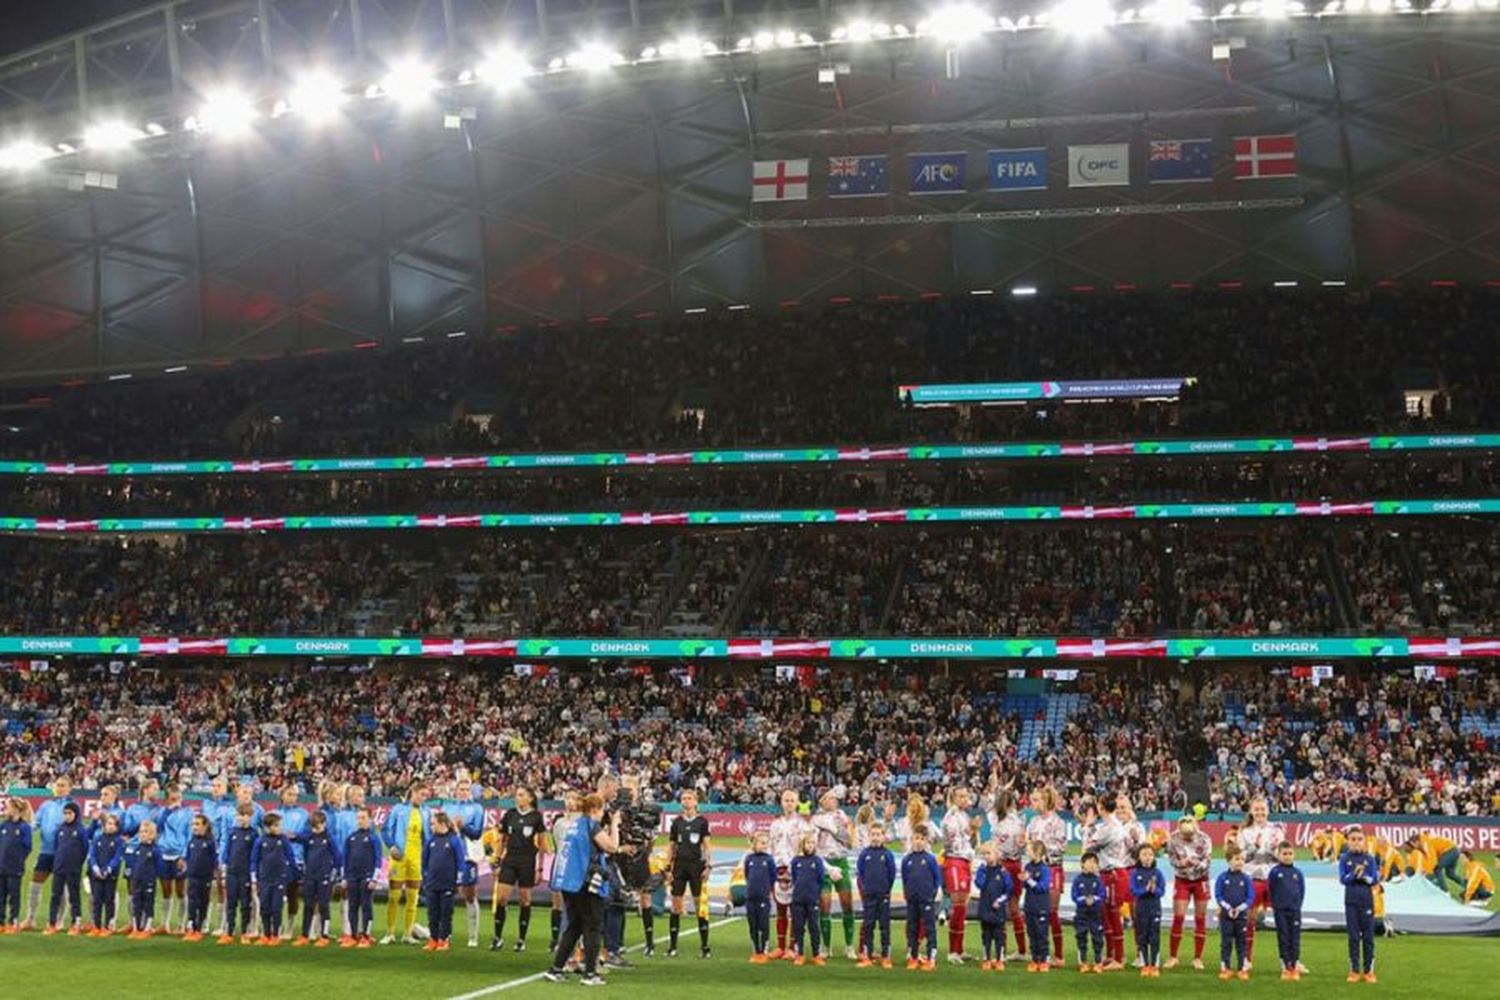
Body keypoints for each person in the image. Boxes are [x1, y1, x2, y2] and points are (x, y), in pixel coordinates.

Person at [544, 792, 621, 987]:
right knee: (593, 926)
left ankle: (556, 968)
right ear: (595, 810)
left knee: (575, 925)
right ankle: (590, 973)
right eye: (602, 810)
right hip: (585, 883)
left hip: (569, 882)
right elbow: (611, 846)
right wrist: (614, 825)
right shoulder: (590, 824)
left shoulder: (574, 825)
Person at [490, 785, 546, 952]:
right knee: (501, 899)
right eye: (517, 795)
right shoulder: (510, 815)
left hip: (527, 862)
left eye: (521, 795)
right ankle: (497, 937)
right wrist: (497, 861)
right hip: (510, 860)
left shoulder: (536, 817)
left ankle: (521, 939)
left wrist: (540, 868)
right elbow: (502, 839)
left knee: (524, 900)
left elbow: (542, 844)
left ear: (530, 798)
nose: (517, 798)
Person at [1079, 793, 1127, 971]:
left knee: (1113, 915)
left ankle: (1118, 958)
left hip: (1113, 873)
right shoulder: (1113, 825)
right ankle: (1111, 954)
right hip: (1110, 873)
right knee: (1106, 914)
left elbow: (1086, 849)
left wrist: (1088, 825)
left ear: (1100, 807)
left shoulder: (1108, 828)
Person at [1235, 797, 1283, 968]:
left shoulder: (1276, 830)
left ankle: (1290, 960)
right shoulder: (1244, 832)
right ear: (1251, 811)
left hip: (1273, 879)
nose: (1260, 812)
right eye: (1256, 809)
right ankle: (1246, 959)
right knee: (1250, 920)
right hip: (1252, 878)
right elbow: (1240, 857)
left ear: (1268, 810)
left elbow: (1283, 856)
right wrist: (1253, 848)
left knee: (1283, 919)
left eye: (1263, 809)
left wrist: (1273, 850)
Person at [380, 782, 429, 945]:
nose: (423, 798)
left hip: (416, 858)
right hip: (399, 858)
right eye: (421, 794)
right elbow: (385, 829)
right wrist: (391, 846)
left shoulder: (426, 812)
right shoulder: (398, 809)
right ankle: (390, 933)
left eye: (425, 796)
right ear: (413, 792)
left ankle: (407, 934)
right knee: (394, 896)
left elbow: (428, 837)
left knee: (412, 897)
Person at [441, 774, 487, 949]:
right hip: (447, 854)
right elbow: (440, 828)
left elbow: (476, 833)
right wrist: (451, 827)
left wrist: (462, 827)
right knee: (446, 893)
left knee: (469, 894)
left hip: (468, 855)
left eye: (467, 789)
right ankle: (446, 931)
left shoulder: (477, 808)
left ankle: (473, 935)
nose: (463, 792)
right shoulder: (447, 806)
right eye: (461, 789)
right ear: (455, 790)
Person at [667, 788, 713, 959]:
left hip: (696, 866)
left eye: (689, 798)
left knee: (699, 905)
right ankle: (672, 946)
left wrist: (708, 865)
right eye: (683, 798)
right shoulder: (676, 822)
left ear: (696, 802)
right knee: (676, 905)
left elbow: (707, 845)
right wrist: (668, 866)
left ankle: (705, 946)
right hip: (679, 866)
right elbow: (671, 845)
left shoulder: (702, 822)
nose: (686, 801)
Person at [24, 775, 74, 931]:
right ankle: (30, 918)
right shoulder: (46, 805)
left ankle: (59, 921)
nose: (59, 788)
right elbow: (35, 823)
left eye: (63, 785)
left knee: (61, 887)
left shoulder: (72, 806)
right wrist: (23, 831)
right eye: (57, 785)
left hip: (63, 853)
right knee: (35, 883)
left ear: (69, 788)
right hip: (46, 851)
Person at [937, 787, 980, 965]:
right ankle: (953, 951)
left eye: (966, 796)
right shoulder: (951, 818)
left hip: (964, 862)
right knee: (958, 906)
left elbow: (968, 841)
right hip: (954, 861)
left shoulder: (964, 816)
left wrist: (974, 831)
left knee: (962, 907)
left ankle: (959, 949)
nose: (965, 799)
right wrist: (971, 832)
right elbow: (954, 844)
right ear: (953, 798)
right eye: (961, 796)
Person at [986, 788, 1030, 962]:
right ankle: (1018, 949)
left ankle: (1003, 950)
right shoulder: (1016, 821)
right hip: (1012, 864)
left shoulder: (999, 820)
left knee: (1003, 908)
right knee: (1012, 909)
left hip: (1004, 865)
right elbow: (1021, 845)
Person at [1026, 785, 1068, 968]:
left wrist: (1040, 849)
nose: (1032, 803)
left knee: (1051, 912)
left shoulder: (1058, 822)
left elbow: (1061, 847)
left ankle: (1058, 954)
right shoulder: (1033, 822)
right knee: (1035, 912)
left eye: (1035, 800)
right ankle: (1039, 953)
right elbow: (1028, 844)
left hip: (1052, 868)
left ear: (1046, 800)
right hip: (1035, 869)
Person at [768, 788, 813, 957]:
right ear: (781, 802)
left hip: (796, 868)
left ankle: (793, 947)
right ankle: (780, 946)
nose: (789, 804)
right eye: (786, 800)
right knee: (780, 909)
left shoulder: (803, 824)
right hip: (778, 868)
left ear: (797, 803)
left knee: (796, 909)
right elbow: (771, 848)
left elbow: (808, 847)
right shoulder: (775, 824)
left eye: (792, 801)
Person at [812, 789, 856, 959]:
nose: (834, 800)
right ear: (822, 800)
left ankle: (849, 945)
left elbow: (849, 841)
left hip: (841, 861)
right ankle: (826, 946)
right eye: (830, 797)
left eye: (834, 797)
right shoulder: (815, 819)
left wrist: (836, 830)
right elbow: (812, 844)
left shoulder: (842, 815)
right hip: (824, 863)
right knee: (824, 905)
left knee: (848, 904)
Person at [215, 783, 263, 937]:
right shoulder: (229, 813)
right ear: (237, 793)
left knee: (250, 898)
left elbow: (264, 833)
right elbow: (224, 838)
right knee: (229, 896)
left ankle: (252, 927)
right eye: (244, 792)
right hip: (233, 863)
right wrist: (223, 861)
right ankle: (225, 927)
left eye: (249, 792)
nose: (247, 795)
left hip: (249, 865)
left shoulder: (259, 811)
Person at [1165, 813, 1212, 970]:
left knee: (1200, 918)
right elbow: (1171, 859)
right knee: (1178, 917)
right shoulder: (1173, 838)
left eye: (1190, 835)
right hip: (1182, 880)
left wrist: (1196, 863)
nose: (1187, 837)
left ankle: (1198, 958)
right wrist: (1181, 863)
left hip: (1201, 880)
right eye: (1185, 835)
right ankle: (1173, 956)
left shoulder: (1205, 838)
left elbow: (1207, 861)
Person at [292, 809, 341, 946]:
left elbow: (337, 857)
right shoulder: (309, 837)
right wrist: (286, 834)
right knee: (308, 905)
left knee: (324, 906)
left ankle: (324, 936)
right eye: (313, 826)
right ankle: (304, 935)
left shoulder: (329, 839)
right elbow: (296, 837)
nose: (315, 829)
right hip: (310, 877)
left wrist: (334, 875)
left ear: (324, 824)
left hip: (324, 877)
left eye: (318, 826)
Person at [1340, 827, 1380, 984]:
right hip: (1351, 901)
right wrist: (1353, 875)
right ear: (1348, 842)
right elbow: (1342, 879)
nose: (1356, 842)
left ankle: (1369, 971)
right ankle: (1354, 970)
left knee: (1368, 937)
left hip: (1367, 901)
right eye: (1353, 839)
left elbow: (1374, 879)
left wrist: (1363, 876)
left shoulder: (1369, 859)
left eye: (1359, 839)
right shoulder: (1344, 858)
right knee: (1353, 937)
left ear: (1364, 841)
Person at [422, 810, 464, 952]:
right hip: (432, 883)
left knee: (446, 912)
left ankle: (444, 939)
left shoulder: (454, 840)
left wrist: (458, 881)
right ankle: (433, 938)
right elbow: (424, 862)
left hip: (448, 883)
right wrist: (426, 877)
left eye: (433, 824)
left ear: (442, 824)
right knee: (432, 912)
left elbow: (460, 862)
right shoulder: (431, 841)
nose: (431, 827)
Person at [855, 821, 895, 968]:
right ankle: (867, 955)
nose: (876, 837)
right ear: (868, 836)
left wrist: (886, 890)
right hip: (869, 896)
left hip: (883, 896)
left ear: (883, 837)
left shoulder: (887, 854)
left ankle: (886, 956)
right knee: (868, 925)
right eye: (873, 834)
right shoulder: (864, 854)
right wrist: (866, 890)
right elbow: (861, 873)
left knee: (884, 926)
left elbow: (891, 875)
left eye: (878, 834)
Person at [156, 783, 194, 935]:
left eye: (178, 798)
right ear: (166, 800)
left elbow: (189, 835)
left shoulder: (188, 812)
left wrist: (184, 856)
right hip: (164, 853)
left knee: (180, 891)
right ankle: (165, 924)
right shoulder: (163, 812)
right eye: (172, 799)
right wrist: (167, 811)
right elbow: (157, 828)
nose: (176, 802)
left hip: (179, 854)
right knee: (165, 890)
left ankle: (181, 924)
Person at [45, 801, 89, 934]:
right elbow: (56, 847)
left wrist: (77, 864)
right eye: (65, 813)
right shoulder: (61, 829)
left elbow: (85, 849)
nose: (67, 816)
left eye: (70, 813)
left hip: (73, 869)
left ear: (76, 814)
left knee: (74, 896)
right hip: (59, 868)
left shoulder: (81, 830)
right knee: (55, 896)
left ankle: (76, 922)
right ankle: (52, 923)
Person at [546, 790, 582, 953]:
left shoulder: (583, 821)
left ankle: (576, 944)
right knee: (562, 905)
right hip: (561, 866)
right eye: (568, 797)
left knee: (577, 908)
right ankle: (560, 941)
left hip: (577, 869)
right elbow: (557, 844)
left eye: (573, 798)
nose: (570, 801)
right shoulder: (559, 822)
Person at [343, 806, 384, 947]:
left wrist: (374, 878)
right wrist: (344, 877)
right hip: (352, 877)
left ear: (370, 820)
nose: (360, 821)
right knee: (352, 906)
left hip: (367, 877)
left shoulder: (373, 838)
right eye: (358, 818)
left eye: (363, 818)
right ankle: (353, 935)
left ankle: (366, 935)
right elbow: (345, 859)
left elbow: (379, 859)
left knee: (366, 906)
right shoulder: (351, 838)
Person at [901, 829, 941, 971]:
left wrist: (933, 894)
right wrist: (908, 893)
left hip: (927, 899)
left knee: (930, 928)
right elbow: (905, 879)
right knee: (912, 928)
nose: (918, 841)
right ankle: (913, 957)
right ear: (911, 840)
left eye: (922, 838)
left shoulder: (930, 859)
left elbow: (937, 878)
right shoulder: (907, 859)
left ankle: (931, 958)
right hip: (912, 900)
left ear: (926, 841)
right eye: (916, 838)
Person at [251, 812, 293, 945]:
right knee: (264, 907)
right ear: (267, 827)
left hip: (279, 879)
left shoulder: (283, 840)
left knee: (276, 907)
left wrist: (290, 874)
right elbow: (254, 860)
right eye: (276, 826)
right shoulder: (260, 840)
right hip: (264, 879)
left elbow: (290, 857)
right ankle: (266, 934)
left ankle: (276, 935)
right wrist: (254, 876)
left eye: (279, 825)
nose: (279, 828)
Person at [219, 802, 258, 945]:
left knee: (245, 903)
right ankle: (228, 931)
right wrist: (224, 869)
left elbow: (254, 856)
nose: (243, 818)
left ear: (251, 817)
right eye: (240, 815)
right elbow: (227, 852)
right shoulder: (233, 832)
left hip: (245, 874)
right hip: (232, 873)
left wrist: (253, 874)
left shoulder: (253, 834)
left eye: (246, 816)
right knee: (231, 903)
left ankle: (245, 932)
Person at [200, 776, 234, 936]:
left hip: (219, 850)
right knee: (204, 888)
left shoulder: (230, 807)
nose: (215, 788)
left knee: (221, 888)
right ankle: (203, 922)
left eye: (219, 785)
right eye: (213, 785)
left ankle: (222, 924)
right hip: (204, 850)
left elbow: (227, 833)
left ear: (226, 788)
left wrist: (222, 855)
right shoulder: (206, 804)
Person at [276, 784, 310, 940]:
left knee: (292, 894)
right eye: (289, 794)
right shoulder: (274, 813)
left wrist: (294, 836)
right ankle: (276, 924)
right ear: (282, 795)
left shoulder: (303, 814)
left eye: (295, 795)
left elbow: (308, 836)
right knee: (275, 895)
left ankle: (289, 926)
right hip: (275, 859)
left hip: (295, 859)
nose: (292, 797)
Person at [1268, 841, 1305, 981]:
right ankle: (1285, 967)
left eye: (1290, 853)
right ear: (1278, 855)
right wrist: (1276, 905)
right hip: (1280, 911)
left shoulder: (1298, 873)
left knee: (1295, 939)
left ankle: (1294, 966)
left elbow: (1301, 891)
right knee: (1283, 937)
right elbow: (1271, 889)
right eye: (1284, 854)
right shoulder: (1275, 872)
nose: (1288, 856)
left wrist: (1297, 906)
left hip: (1295, 911)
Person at [789, 834, 828, 966]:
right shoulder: (796, 861)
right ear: (802, 844)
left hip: (812, 901)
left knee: (814, 928)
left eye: (812, 843)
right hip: (798, 900)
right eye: (808, 843)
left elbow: (821, 880)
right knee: (798, 928)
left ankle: (816, 954)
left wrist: (815, 894)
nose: (810, 846)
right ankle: (800, 954)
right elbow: (794, 878)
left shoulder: (817, 861)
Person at [973, 841, 1012, 971]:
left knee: (999, 935)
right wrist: (983, 871)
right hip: (985, 908)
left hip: (998, 911)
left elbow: (1008, 891)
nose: (986, 856)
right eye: (984, 854)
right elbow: (980, 884)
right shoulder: (982, 870)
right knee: (986, 935)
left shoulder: (1003, 872)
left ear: (997, 855)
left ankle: (1000, 959)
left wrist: (1000, 901)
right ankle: (986, 959)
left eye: (989, 853)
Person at [124, 819, 165, 939]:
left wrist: (155, 877)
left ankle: (147, 928)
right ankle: (136, 928)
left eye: (146, 832)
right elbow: (132, 864)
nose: (142, 834)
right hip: (137, 881)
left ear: (152, 834)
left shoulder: (155, 850)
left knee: (148, 904)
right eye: (141, 832)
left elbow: (160, 867)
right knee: (136, 904)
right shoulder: (137, 849)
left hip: (149, 882)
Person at [1215, 848, 1252, 981]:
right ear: (1228, 860)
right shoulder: (1222, 877)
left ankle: (1242, 968)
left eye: (1242, 859)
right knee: (1226, 942)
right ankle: (1225, 967)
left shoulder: (1246, 879)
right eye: (1237, 859)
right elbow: (1218, 895)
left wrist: (1240, 908)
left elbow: (1250, 897)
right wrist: (1228, 908)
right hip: (1226, 916)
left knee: (1241, 943)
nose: (1240, 862)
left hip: (1241, 917)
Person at [181, 812, 219, 941]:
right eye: (193, 824)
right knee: (192, 901)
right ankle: (191, 927)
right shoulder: (192, 840)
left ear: (205, 826)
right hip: (192, 876)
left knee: (203, 902)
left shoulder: (210, 842)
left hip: (205, 877)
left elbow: (214, 860)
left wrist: (214, 877)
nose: (194, 827)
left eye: (197, 824)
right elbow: (189, 856)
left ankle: (200, 927)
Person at [86, 812, 126, 936]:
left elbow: (117, 857)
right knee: (96, 899)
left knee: (109, 900)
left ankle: (108, 926)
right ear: (104, 825)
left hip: (110, 875)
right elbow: (92, 854)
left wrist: (107, 869)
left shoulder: (119, 841)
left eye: (113, 824)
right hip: (96, 874)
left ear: (117, 827)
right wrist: (95, 867)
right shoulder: (98, 838)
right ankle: (96, 926)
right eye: (108, 823)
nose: (110, 826)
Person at [1129, 843, 1164, 976]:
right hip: (1141, 908)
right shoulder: (1135, 873)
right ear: (1139, 857)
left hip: (1154, 908)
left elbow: (1162, 891)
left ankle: (1154, 965)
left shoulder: (1158, 873)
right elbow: (1134, 891)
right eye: (1144, 854)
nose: (1147, 857)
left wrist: (1154, 889)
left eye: (1150, 854)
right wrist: (1145, 889)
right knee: (1142, 936)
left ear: (1154, 857)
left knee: (1154, 936)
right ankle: (1144, 965)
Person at [0, 798, 34, 933]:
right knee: (1, 895)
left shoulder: (24, 827)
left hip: (15, 868)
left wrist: (18, 860)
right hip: (1, 866)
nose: (5, 809)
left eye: (7, 807)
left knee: (14, 896)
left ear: (15, 809)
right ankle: (1, 922)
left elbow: (28, 847)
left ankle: (13, 922)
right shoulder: (4, 825)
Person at [742, 830, 776, 963]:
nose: (764, 845)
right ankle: (756, 951)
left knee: (763, 924)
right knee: (753, 925)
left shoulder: (769, 859)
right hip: (751, 898)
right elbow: (747, 874)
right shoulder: (749, 859)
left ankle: (764, 951)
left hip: (763, 897)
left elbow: (773, 876)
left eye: (766, 843)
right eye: (762, 843)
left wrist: (766, 888)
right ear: (754, 844)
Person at [1072, 851, 1106, 974]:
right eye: (1089, 862)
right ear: (1082, 864)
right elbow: (1074, 896)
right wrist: (1084, 900)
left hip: (1095, 914)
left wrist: (1094, 899)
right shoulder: (1078, 879)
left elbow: (1102, 895)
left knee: (1097, 938)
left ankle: (1098, 962)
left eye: (1095, 863)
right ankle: (1083, 962)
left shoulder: (1098, 880)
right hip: (1081, 914)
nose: (1092, 865)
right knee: (1081, 937)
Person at [1021, 839, 1052, 973]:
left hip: (1042, 906)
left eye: (1029, 850)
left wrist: (1029, 880)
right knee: (1032, 934)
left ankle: (1044, 959)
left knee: (1041, 934)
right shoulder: (1028, 866)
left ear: (1037, 852)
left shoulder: (1044, 869)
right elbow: (1025, 885)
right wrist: (1023, 879)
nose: (1026, 852)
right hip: (1030, 906)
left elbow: (1043, 887)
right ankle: (1034, 959)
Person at [1404, 832, 1463, 896]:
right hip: (1453, 850)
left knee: (1437, 869)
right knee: (1450, 874)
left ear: (1416, 842)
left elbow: (1433, 861)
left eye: (1412, 845)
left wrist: (1427, 872)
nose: (1413, 847)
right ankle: (1467, 886)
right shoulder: (1423, 842)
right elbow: (1427, 859)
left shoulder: (1425, 843)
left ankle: (1445, 892)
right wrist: (1425, 870)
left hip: (1450, 851)